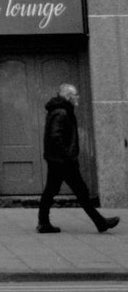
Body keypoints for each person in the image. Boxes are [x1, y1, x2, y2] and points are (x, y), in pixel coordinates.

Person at [37, 83, 120, 234]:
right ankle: (100, 222)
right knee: (80, 191)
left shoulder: (60, 111)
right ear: (68, 97)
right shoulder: (62, 112)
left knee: (52, 190)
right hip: (63, 162)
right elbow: (55, 137)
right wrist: (68, 156)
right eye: (76, 95)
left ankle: (43, 222)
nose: (78, 98)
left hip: (57, 160)